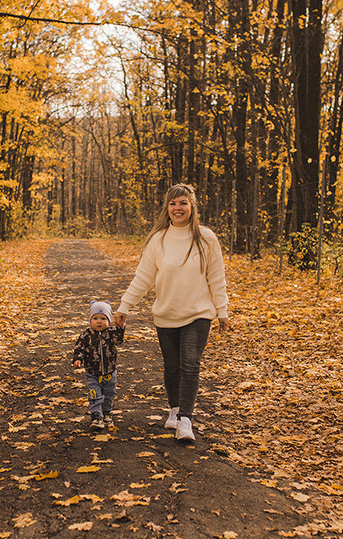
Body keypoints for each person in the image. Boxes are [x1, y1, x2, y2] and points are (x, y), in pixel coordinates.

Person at [115, 183, 229, 444]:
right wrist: (124, 306)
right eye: (173, 204)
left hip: (198, 312)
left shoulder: (206, 238)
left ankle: (185, 420)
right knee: (172, 366)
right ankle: (175, 408)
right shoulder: (158, 239)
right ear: (167, 209)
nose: (178, 208)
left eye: (183, 203)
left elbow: (217, 277)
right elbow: (143, 277)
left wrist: (221, 309)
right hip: (166, 313)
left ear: (192, 207)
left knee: (190, 363)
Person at [73, 300, 125, 431]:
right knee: (95, 394)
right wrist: (78, 359)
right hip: (92, 373)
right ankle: (96, 416)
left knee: (109, 394)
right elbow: (79, 349)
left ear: (108, 320)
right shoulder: (86, 335)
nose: (99, 321)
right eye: (95, 318)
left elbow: (118, 341)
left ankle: (106, 413)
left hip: (109, 372)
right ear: (90, 320)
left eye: (103, 318)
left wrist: (120, 328)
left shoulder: (111, 333)